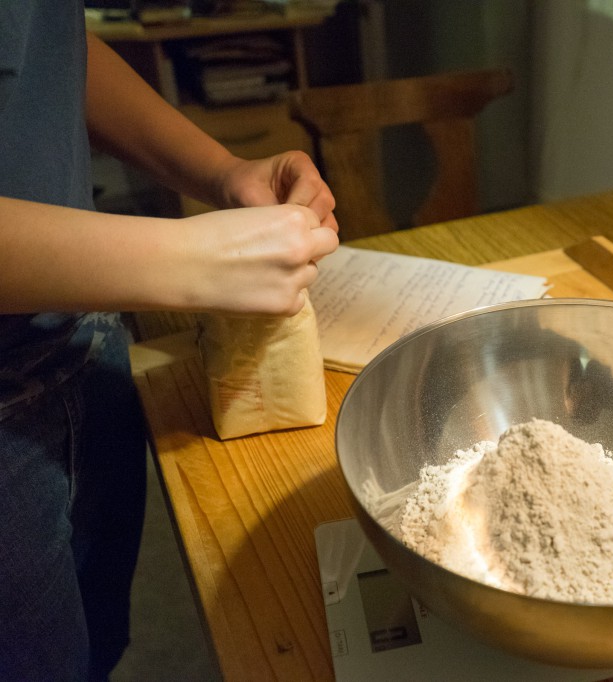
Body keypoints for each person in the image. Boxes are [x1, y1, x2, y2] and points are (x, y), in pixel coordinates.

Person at [0, 2, 340, 679]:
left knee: (89, 650)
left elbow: (49, 44)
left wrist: (222, 171)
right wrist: (184, 260)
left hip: (82, 351)